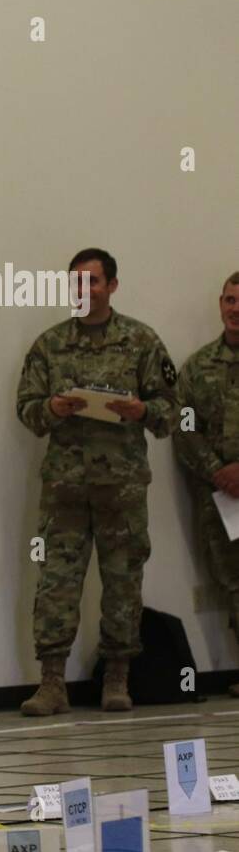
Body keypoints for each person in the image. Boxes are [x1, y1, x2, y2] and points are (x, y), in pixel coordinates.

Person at [15, 248, 179, 715]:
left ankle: (117, 678)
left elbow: (171, 412)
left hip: (122, 489)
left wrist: (142, 410)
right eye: (77, 283)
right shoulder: (49, 345)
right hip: (66, 489)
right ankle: (52, 683)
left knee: (123, 582)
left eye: (93, 282)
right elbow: (26, 409)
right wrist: (52, 408)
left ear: (112, 286)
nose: (84, 291)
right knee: (57, 583)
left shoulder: (141, 341)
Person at [173, 271, 239, 698]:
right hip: (221, 497)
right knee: (233, 583)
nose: (236, 310)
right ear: (220, 304)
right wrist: (219, 470)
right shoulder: (197, 367)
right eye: (231, 301)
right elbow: (183, 425)